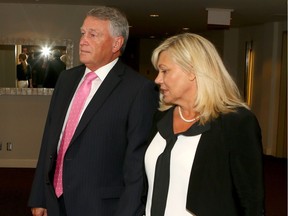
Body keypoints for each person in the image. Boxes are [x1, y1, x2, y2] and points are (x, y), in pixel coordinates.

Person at [28, 6, 158, 216]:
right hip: (55, 201)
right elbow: (50, 139)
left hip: (101, 206)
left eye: (93, 34)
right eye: (82, 33)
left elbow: (136, 162)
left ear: (117, 43)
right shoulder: (66, 79)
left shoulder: (139, 90)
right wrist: (39, 196)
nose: (83, 40)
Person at [144, 33, 264, 216]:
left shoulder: (236, 123)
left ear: (192, 71)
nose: (157, 79)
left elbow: (251, 201)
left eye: (164, 71)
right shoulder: (160, 118)